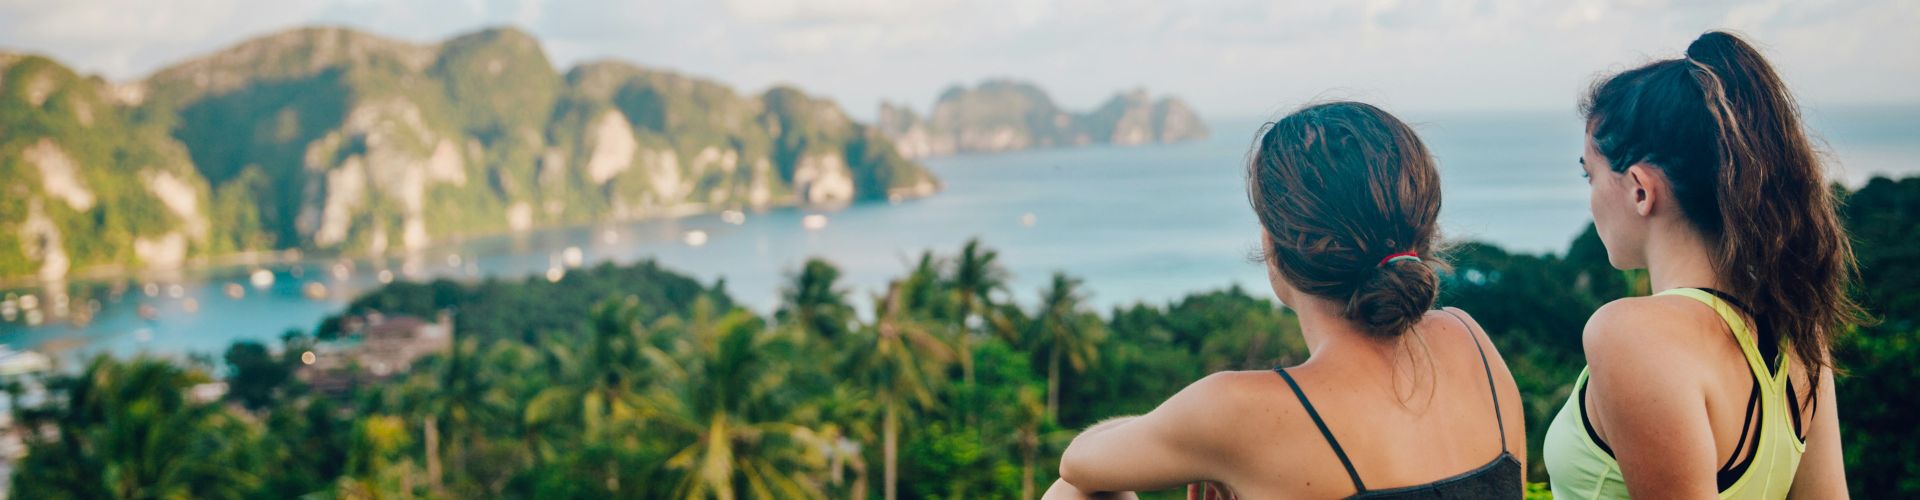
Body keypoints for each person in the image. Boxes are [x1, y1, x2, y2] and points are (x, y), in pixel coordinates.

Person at [1044, 101, 1525, 499]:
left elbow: (1079, 463)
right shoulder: (1470, 341)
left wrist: (1206, 444)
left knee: (1072, 492)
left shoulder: (1239, 413)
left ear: (1273, 243)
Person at [1542, 31, 1857, 499]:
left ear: (1640, 189)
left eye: (1590, 175)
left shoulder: (1631, 333)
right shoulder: (1796, 332)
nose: (1590, 198)